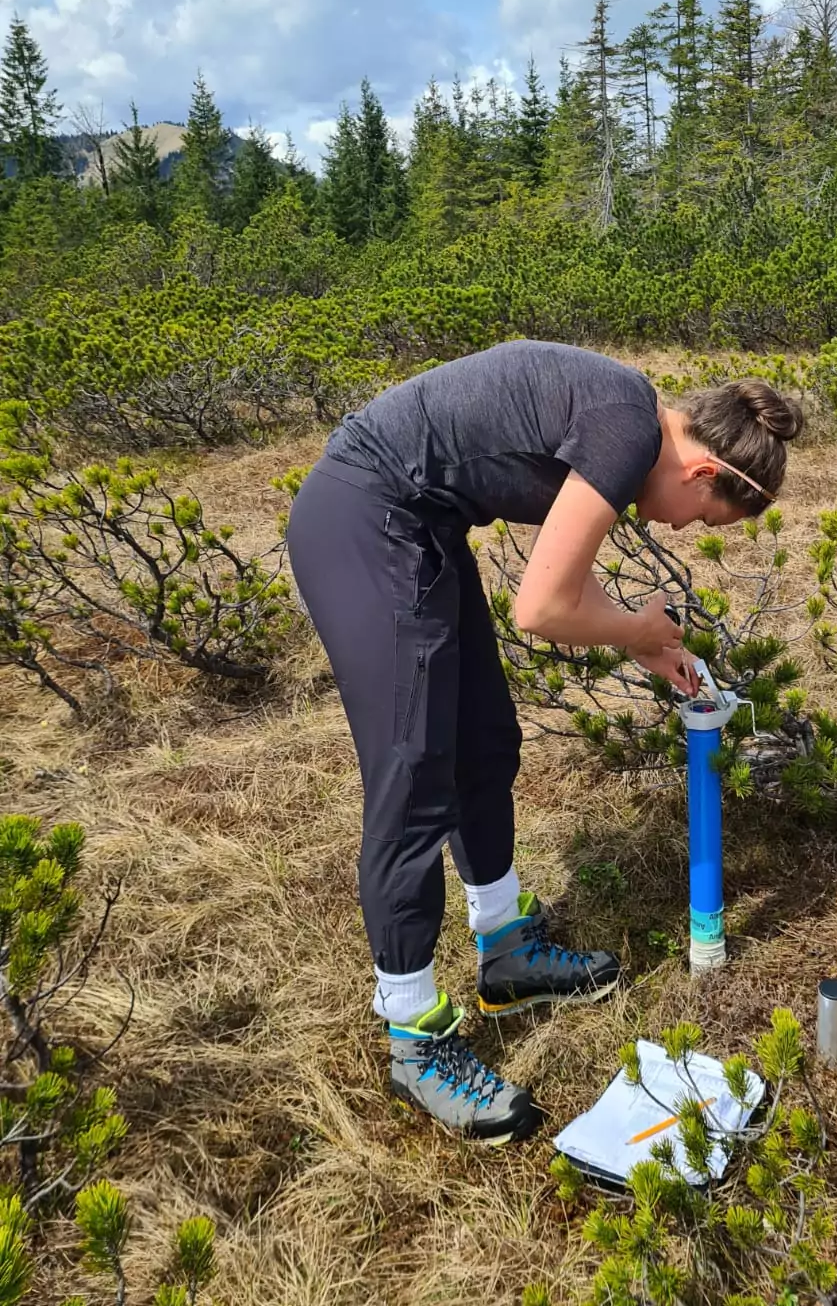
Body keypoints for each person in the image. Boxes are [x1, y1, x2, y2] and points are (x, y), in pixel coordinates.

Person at [286, 340, 802, 1143]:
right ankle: (414, 1038)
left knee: (485, 743)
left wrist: (641, 642)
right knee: (416, 773)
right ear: (703, 473)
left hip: (421, 526)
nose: (678, 524)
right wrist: (637, 625)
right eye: (702, 516)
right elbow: (543, 607)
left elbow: (573, 567)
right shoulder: (628, 430)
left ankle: (506, 952)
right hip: (363, 515)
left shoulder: (630, 424)